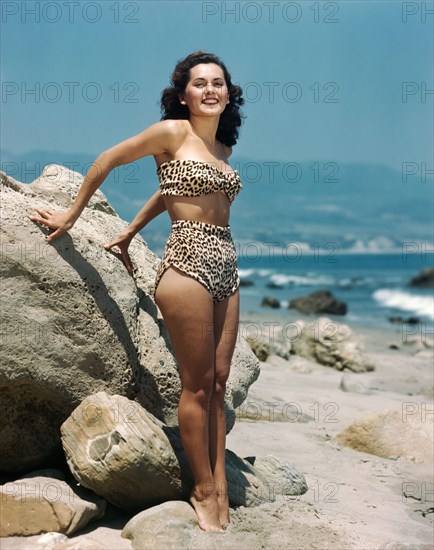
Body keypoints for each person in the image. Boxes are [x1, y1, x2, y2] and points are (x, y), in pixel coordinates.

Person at [29, 51, 245, 532]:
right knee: (196, 384)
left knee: (218, 383)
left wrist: (128, 232)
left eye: (218, 83)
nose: (210, 90)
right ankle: (204, 488)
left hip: (227, 263)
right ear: (183, 93)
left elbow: (170, 189)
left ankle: (222, 485)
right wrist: (71, 215)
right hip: (186, 262)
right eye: (199, 84)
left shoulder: (223, 150)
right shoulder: (171, 132)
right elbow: (108, 158)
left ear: (229, 93)